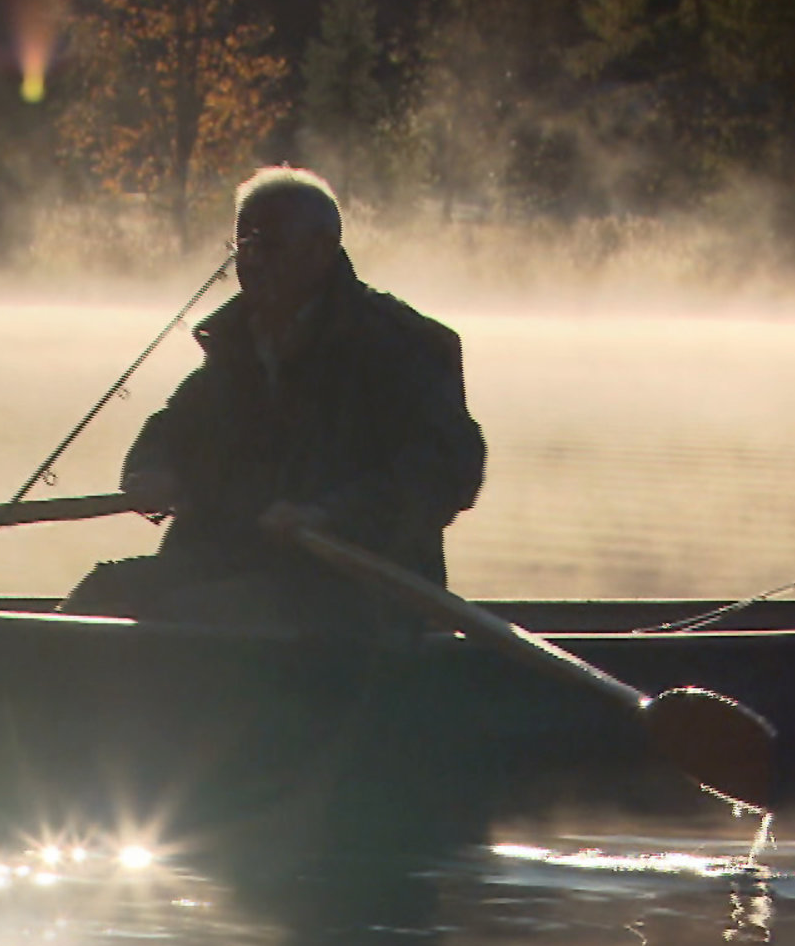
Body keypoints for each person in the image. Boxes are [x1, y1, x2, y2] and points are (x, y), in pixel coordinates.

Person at [65, 167, 485, 632]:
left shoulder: (398, 346)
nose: (253, 260)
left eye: (270, 244)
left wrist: (330, 515)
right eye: (243, 245)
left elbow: (447, 471)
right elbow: (174, 427)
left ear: (322, 249)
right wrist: (152, 470)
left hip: (356, 586)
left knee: (190, 618)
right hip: (239, 560)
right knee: (102, 592)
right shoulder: (237, 344)